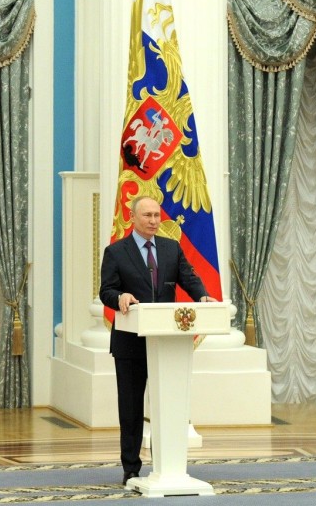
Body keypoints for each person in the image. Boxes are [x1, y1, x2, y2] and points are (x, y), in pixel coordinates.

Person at [98, 195, 216, 486]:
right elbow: (106, 291)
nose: (153, 221)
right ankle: (131, 468)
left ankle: (167, 465)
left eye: (156, 215)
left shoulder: (170, 247)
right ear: (133, 217)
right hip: (131, 343)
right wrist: (120, 296)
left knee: (168, 405)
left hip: (167, 343)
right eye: (147, 215)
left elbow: (188, 278)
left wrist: (202, 296)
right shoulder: (116, 252)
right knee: (131, 408)